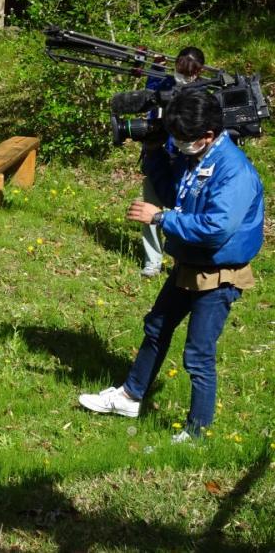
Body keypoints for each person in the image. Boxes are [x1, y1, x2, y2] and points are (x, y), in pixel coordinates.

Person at [79, 90, 263, 441]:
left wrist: (161, 218)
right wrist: (152, 151)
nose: (177, 144)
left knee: (198, 354)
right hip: (188, 264)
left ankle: (195, 434)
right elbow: (171, 191)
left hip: (219, 274)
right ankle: (131, 396)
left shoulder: (233, 170)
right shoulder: (197, 157)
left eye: (183, 138)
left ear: (208, 135)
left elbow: (216, 228)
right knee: (156, 328)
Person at [140, 46, 206, 277]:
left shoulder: (201, 91)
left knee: (181, 210)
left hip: (184, 159)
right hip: (157, 153)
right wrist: (156, 67)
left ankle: (181, 259)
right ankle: (152, 262)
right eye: (181, 67)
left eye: (189, 70)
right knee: (150, 205)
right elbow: (148, 94)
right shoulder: (164, 83)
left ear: (198, 71)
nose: (184, 73)